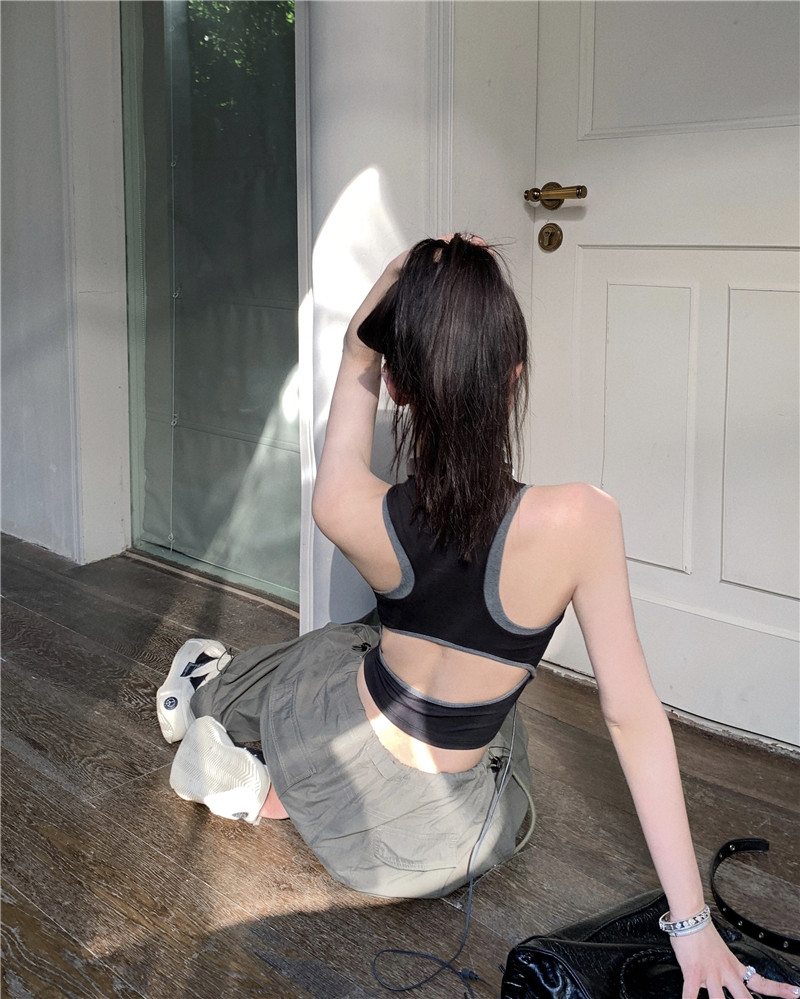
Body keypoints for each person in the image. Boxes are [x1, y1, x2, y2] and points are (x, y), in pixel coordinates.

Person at [156, 235, 799, 999]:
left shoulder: (351, 508)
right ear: (512, 376)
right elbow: (632, 718)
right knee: (492, 735)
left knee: (333, 649)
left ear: (398, 386)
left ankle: (232, 725)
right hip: (422, 848)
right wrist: (690, 926)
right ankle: (259, 790)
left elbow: (357, 356)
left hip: (336, 758)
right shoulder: (581, 520)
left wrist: (388, 293)